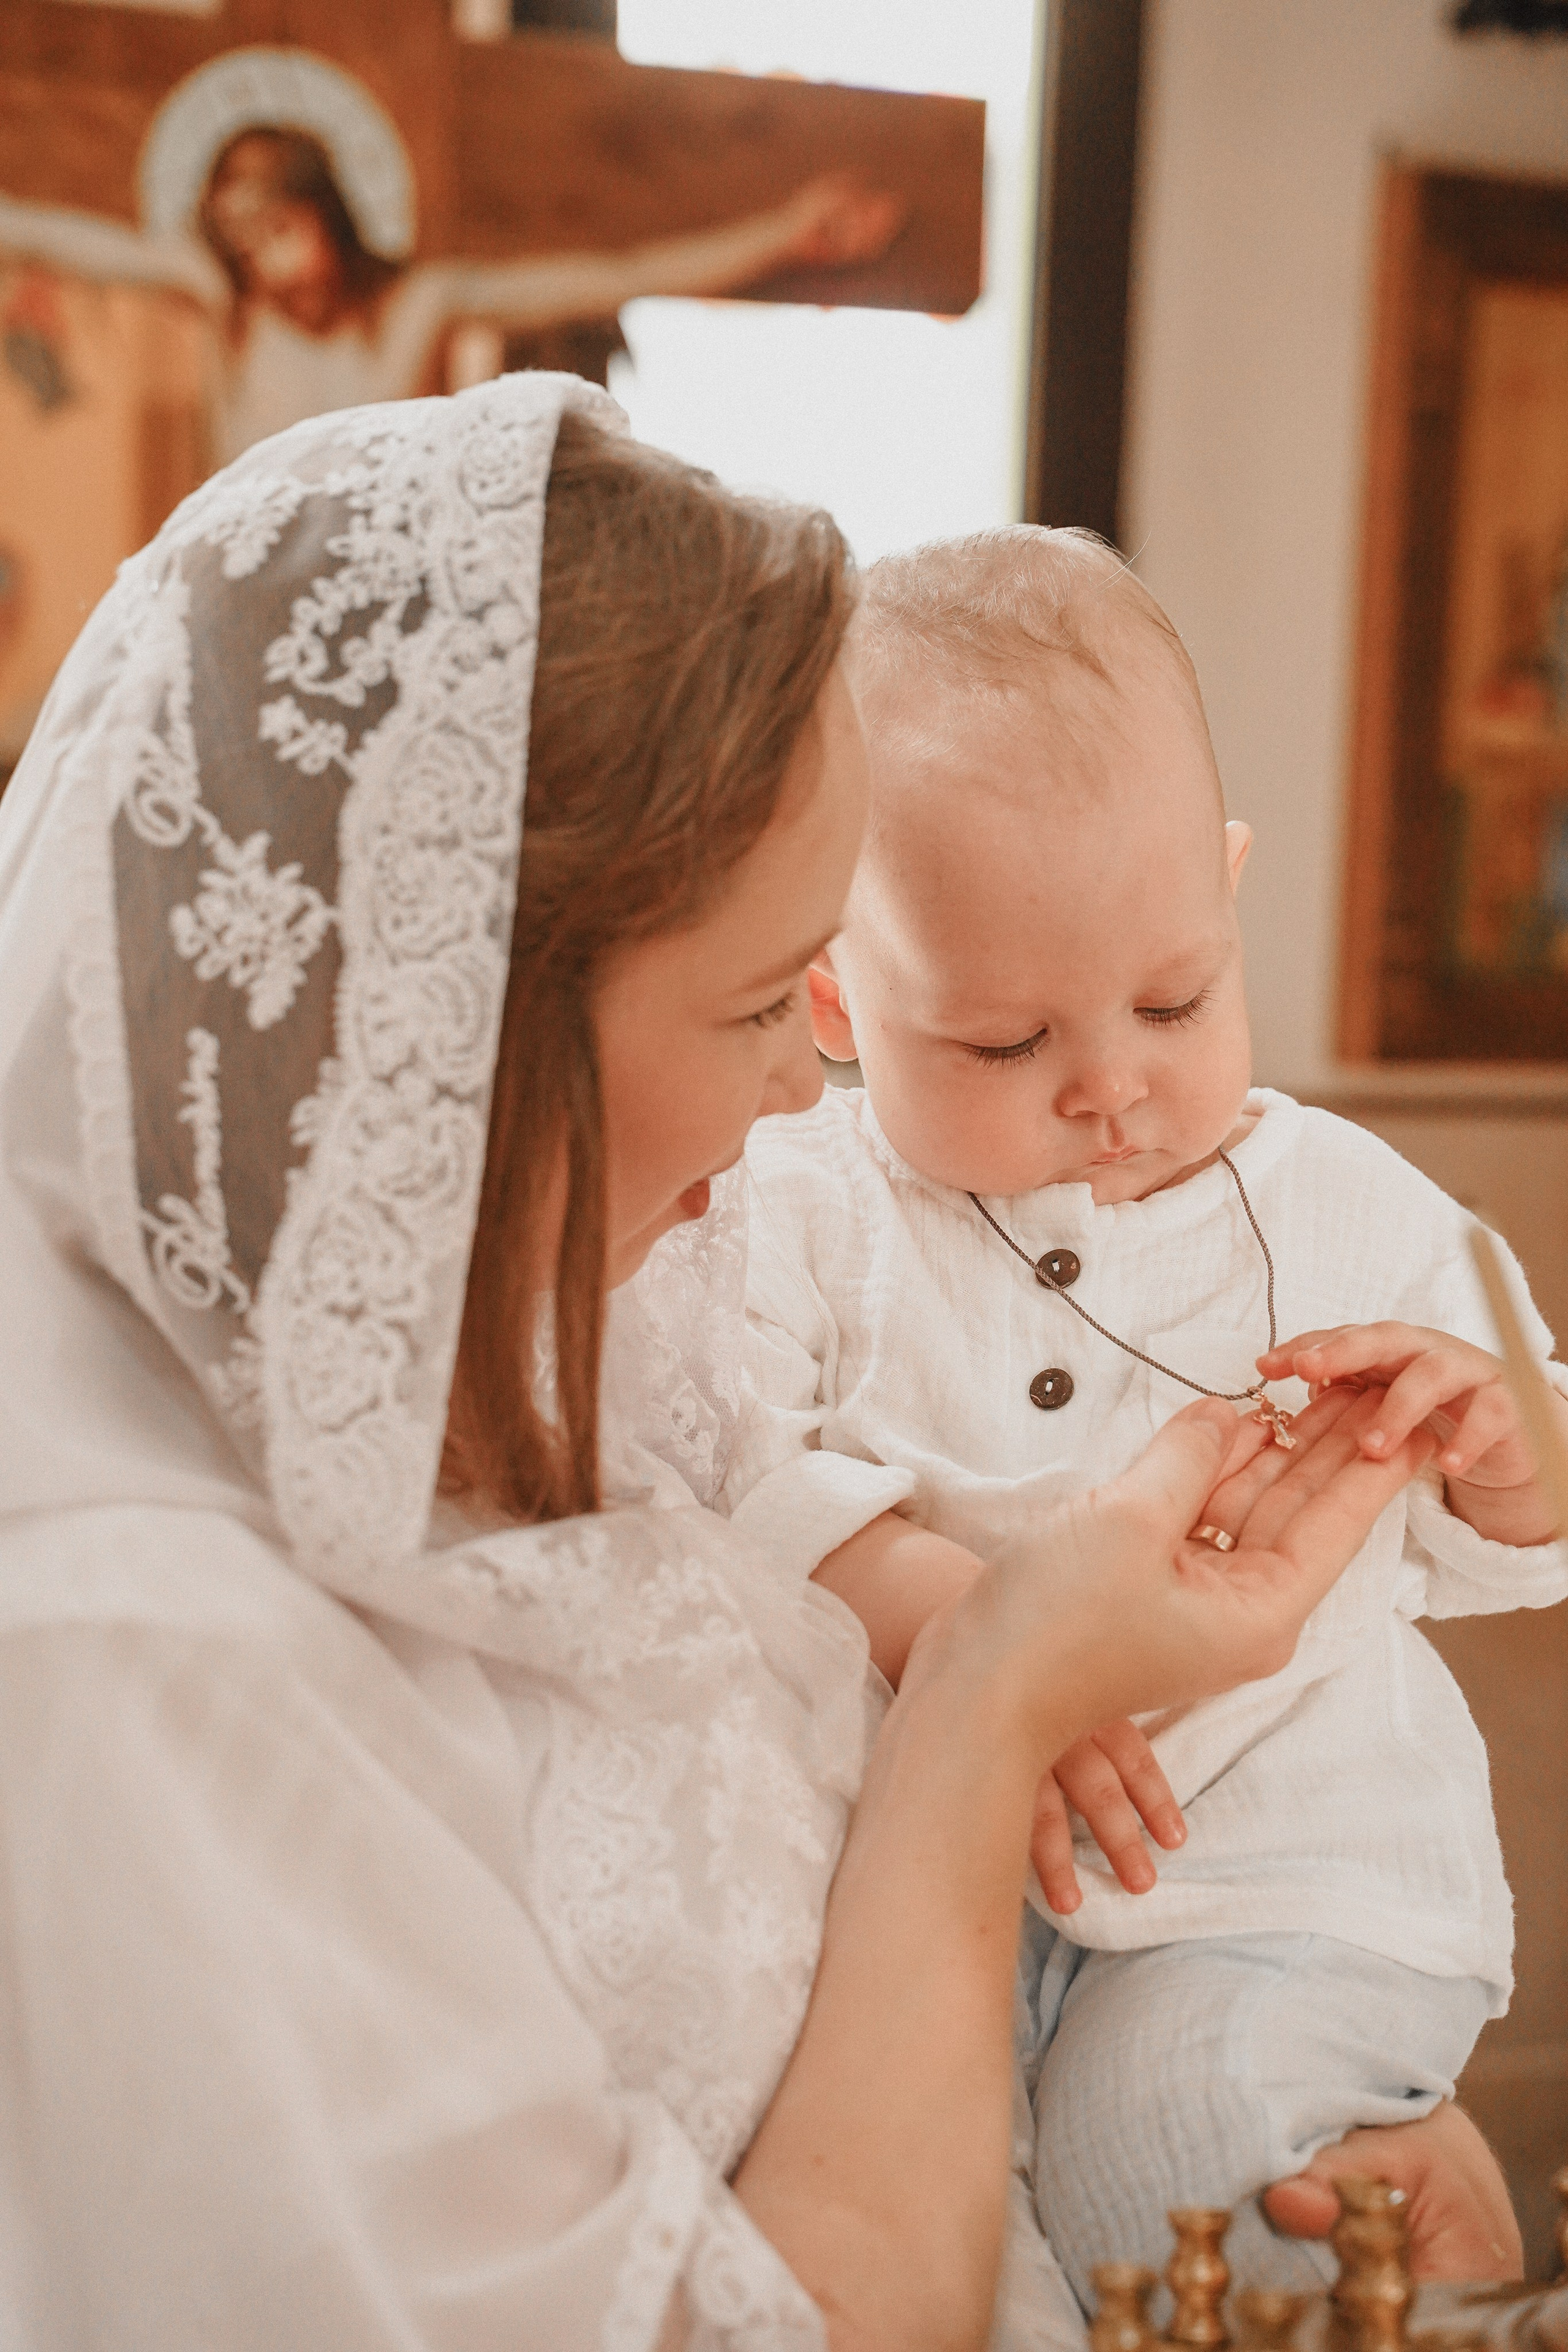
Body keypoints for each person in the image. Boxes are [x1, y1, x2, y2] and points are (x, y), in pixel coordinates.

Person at [0, 377, 1514, 2351]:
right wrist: (998, 1683)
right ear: (477, 1041)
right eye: (757, 1004)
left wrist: (1297, 2122)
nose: (810, 1089)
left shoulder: (611, 1318)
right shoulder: (129, 1658)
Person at [728, 522, 1567, 2312]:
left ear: (1229, 899)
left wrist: (1509, 1451)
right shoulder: (802, 1208)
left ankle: (1407, 2230)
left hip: (1283, 1880)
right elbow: (717, 1452)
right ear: (836, 999)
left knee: (1163, 2155)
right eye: (1001, 1044)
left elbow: (1530, 1497)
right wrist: (944, 1611)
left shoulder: (1350, 1204)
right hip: (947, 1895)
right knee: (976, 2237)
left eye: (1174, 1000)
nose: (1110, 1086)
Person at [0, 123, 897, 463]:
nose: (267, 266)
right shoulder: (221, 301)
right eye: (243, 243)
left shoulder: (417, 304)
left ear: (326, 214)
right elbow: (66, 243)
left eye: (279, 232)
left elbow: (614, 276)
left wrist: (785, 233)